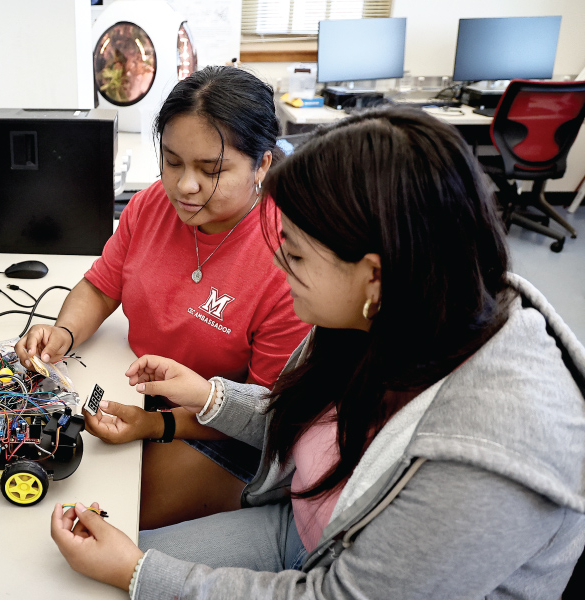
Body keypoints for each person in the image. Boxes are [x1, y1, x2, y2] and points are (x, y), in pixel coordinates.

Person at [48, 106, 585, 599]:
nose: (278, 266)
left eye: (298, 255)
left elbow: (338, 595)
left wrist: (138, 572)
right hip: (304, 527)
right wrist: (209, 396)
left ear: (373, 275)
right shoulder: (383, 314)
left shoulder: (488, 455)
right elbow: (306, 421)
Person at [16, 66, 310, 529]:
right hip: (137, 394)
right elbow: (100, 286)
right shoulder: (153, 203)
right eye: (172, 162)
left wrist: (158, 425)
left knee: (100, 518)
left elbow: (262, 415)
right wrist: (63, 334)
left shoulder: (289, 258)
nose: (185, 186)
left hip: (225, 434)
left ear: (262, 166)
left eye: (211, 171)